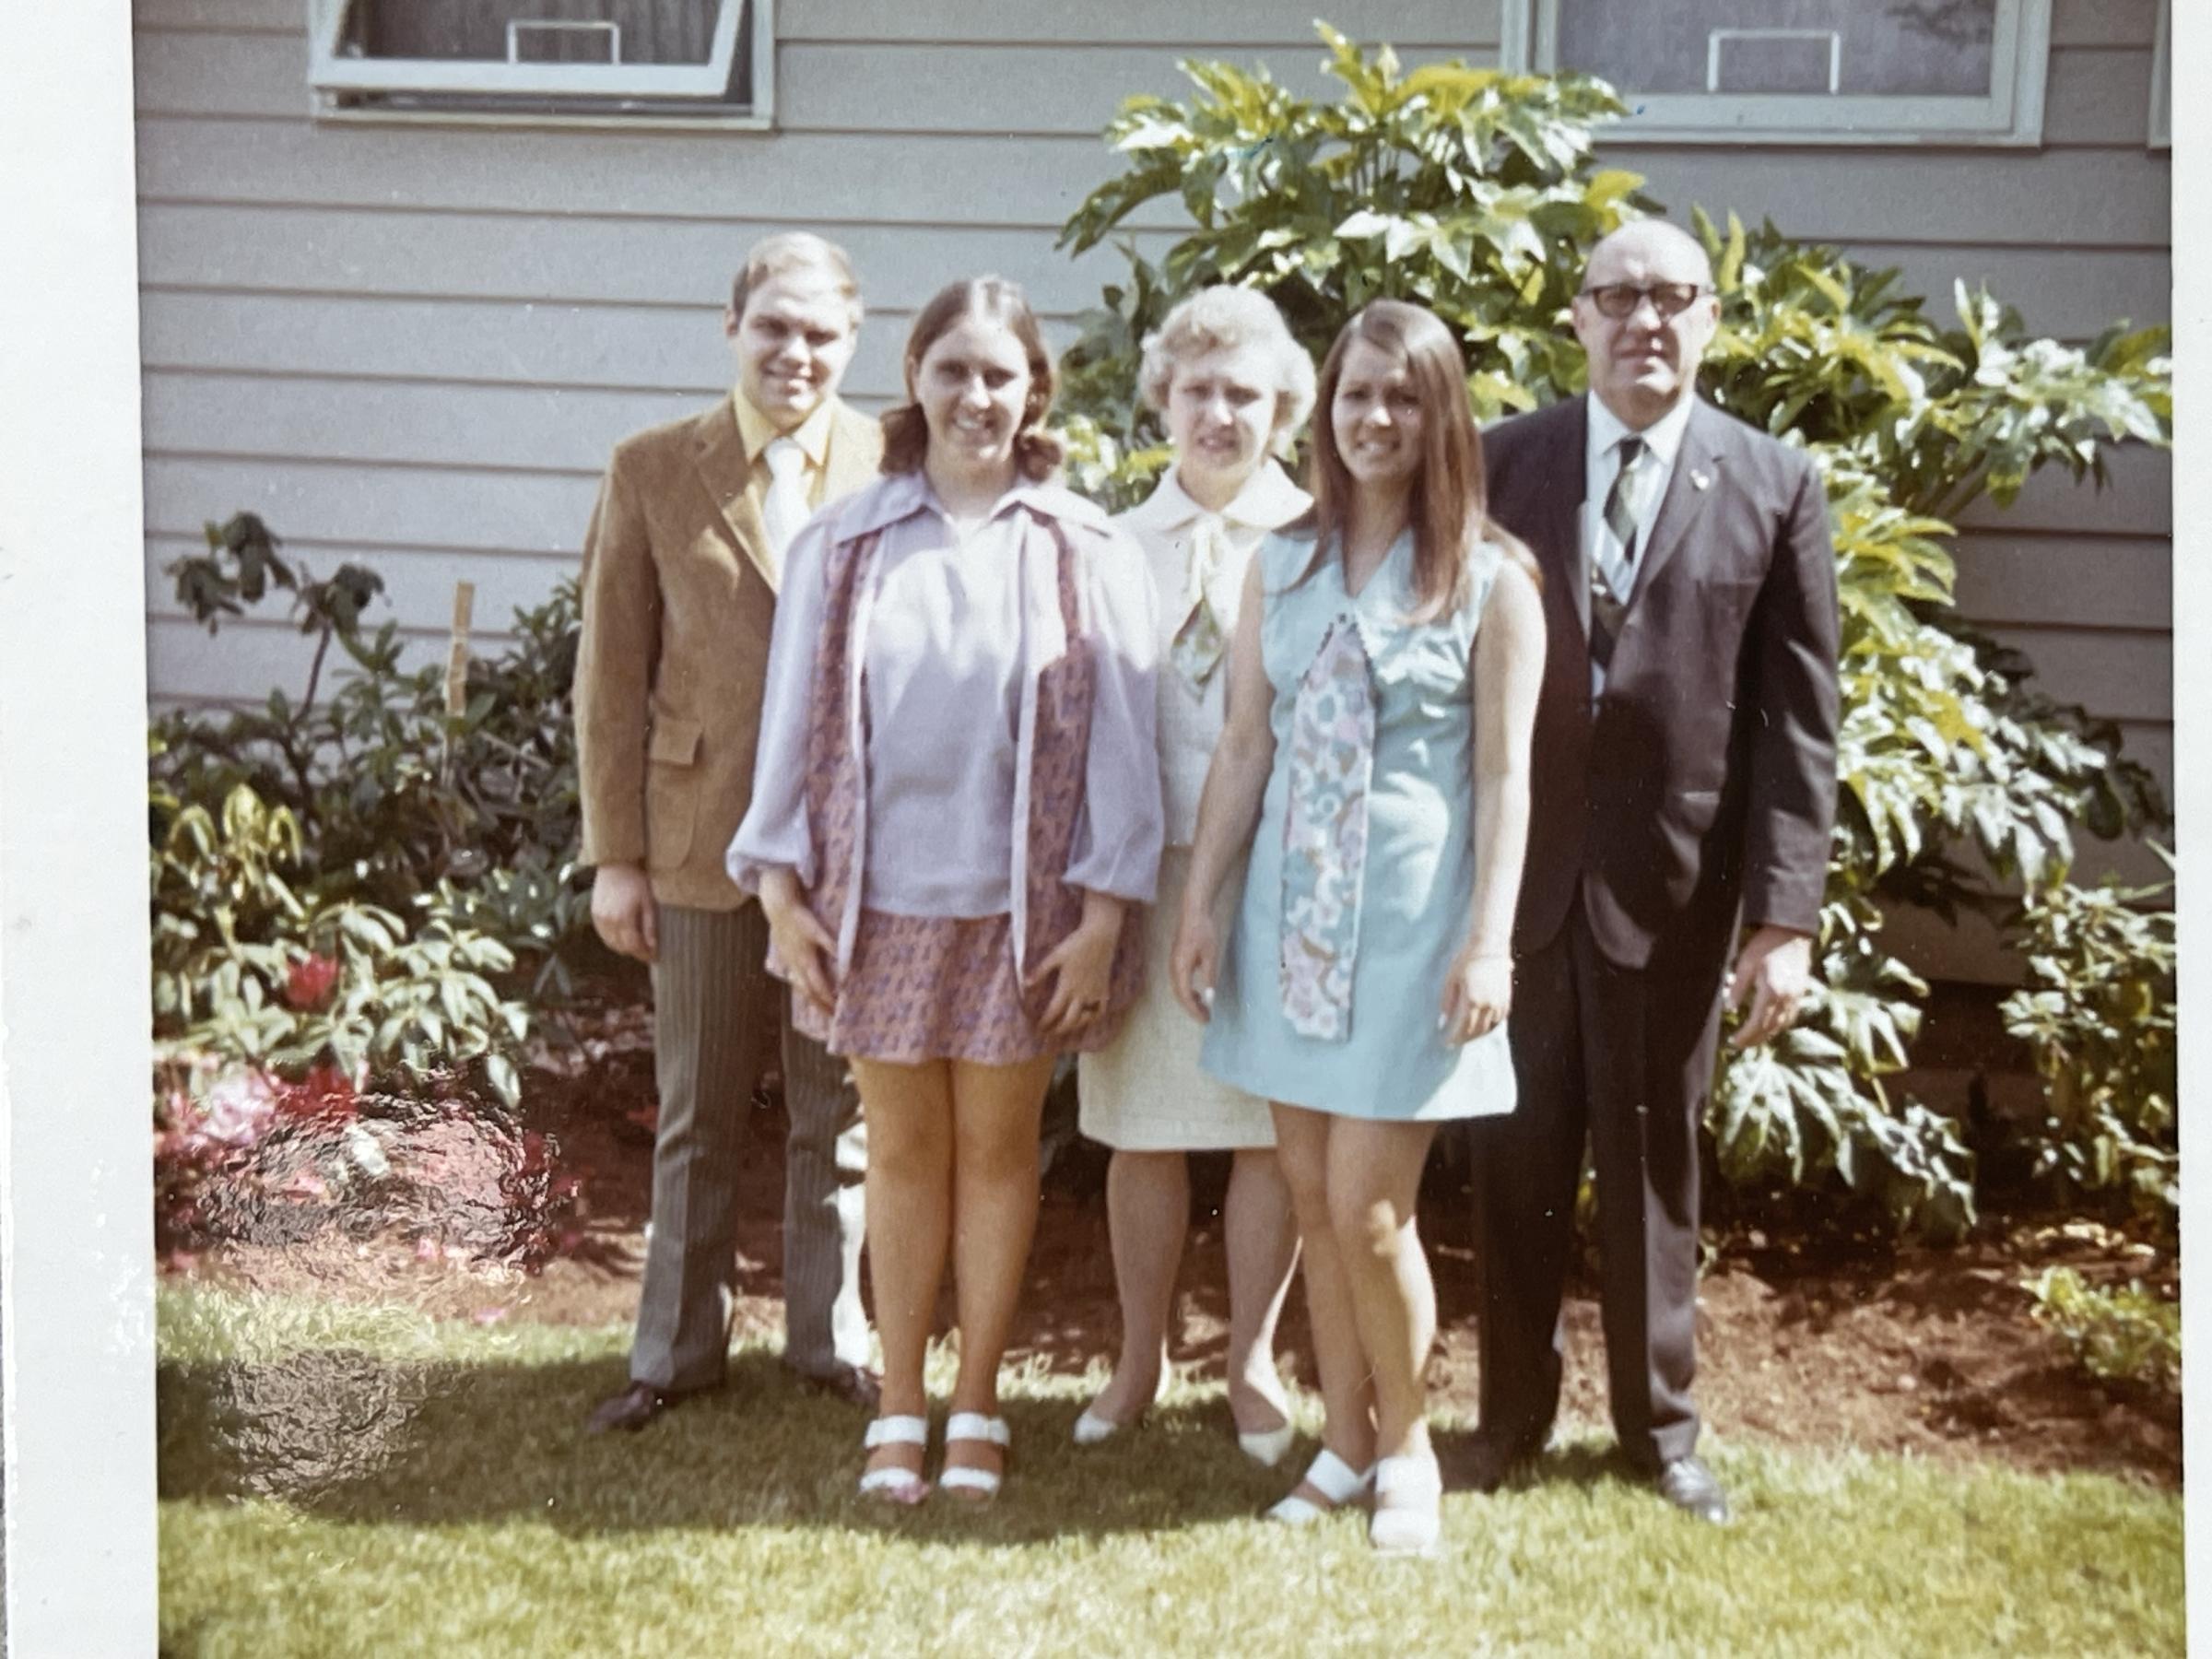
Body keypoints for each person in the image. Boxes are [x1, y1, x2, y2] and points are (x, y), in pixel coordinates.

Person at [726, 276, 1163, 1505]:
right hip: (875, 908)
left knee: (1001, 1154)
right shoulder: (844, 544)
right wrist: (779, 890)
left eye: (1000, 374)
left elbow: (1125, 748)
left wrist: (1105, 916)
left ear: (1036, 393)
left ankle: (977, 1402)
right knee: (905, 1154)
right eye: (953, 370)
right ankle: (900, 1405)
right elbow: (792, 726)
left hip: (1025, 917)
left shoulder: (1083, 546)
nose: (977, 396)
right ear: (914, 377)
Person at [1465, 218, 1841, 1524]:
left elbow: (1799, 723)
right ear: (1576, 316)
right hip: (1515, 886)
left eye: (1674, 297)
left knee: (1651, 1171)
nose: (1646, 320)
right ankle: (1508, 1419)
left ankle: (1659, 1433)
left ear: (1711, 319)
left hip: (1673, 894)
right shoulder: (1502, 462)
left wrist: (1784, 917)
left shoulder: (1775, 483)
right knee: (1512, 1163)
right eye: (1618, 295)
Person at [1172, 300, 1547, 1556]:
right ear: (1323, 411)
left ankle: (1409, 1449)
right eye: (1355, 395)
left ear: (1443, 416)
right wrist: (1201, 904)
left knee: (1370, 1208)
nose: (1375, 418)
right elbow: (1244, 746)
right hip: (1290, 928)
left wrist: (1488, 942)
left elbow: (1506, 779)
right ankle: (1342, 1441)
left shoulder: (1492, 581)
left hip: (1410, 935)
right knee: (1313, 1199)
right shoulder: (1278, 565)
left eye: (1403, 396)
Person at [577, 233, 884, 1434]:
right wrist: (617, 856)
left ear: (852, 342)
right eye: (774, 328)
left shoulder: (891, 463)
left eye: (820, 333)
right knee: (697, 1112)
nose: (796, 352)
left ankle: (831, 1340)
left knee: (837, 1114)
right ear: (732, 328)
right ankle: (675, 1352)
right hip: (700, 841)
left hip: (849, 850)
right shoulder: (655, 468)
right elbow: (612, 675)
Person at [1072, 288, 1315, 1466]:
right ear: (1162, 399)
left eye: (1245, 394)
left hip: (1278, 876)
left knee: (1268, 1129)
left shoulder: (1321, 539)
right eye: (1197, 390)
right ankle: (1139, 1356)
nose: (1219, 414)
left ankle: (1252, 1361)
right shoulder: (1108, 543)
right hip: (1141, 870)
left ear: (1285, 410)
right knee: (1144, 1125)